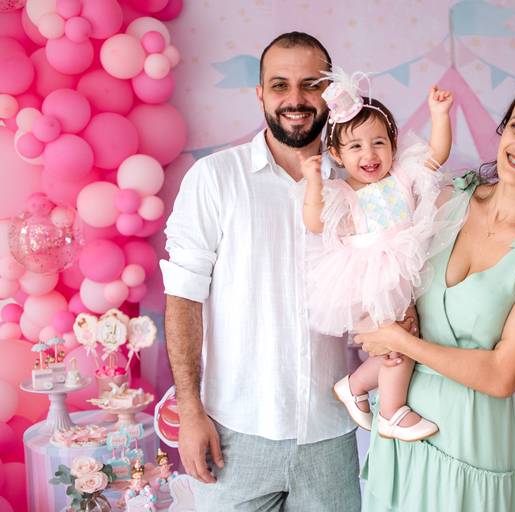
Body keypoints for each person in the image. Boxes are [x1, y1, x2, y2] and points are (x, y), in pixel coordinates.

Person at [355, 79, 515, 511]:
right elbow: (380, 267)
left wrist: (401, 342)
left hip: (469, 444)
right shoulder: (445, 197)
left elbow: (501, 375)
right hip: (399, 430)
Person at [161, 32, 361, 511]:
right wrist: (190, 411)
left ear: (331, 91)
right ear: (260, 94)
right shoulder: (215, 179)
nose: (295, 99)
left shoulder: (355, 184)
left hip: (329, 434)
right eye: (279, 85)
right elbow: (183, 298)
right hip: (233, 433)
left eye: (311, 84)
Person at [300, 71, 460, 442]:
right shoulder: (343, 193)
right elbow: (314, 222)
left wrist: (440, 115)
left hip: (404, 270)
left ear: (393, 144)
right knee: (396, 344)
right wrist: (313, 183)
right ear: (337, 154)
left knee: (406, 339)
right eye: (355, 147)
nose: (369, 154)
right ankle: (391, 412)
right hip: (368, 277)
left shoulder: (401, 176)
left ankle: (355, 386)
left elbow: (436, 156)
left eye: (378, 143)